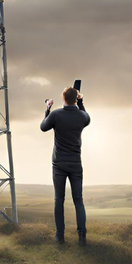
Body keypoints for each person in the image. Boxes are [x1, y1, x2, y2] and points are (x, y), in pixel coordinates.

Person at [41, 86, 91, 245]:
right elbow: (86, 118)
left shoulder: (56, 114)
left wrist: (47, 109)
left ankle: (60, 235)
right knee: (78, 200)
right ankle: (81, 235)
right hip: (75, 163)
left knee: (59, 199)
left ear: (63, 99)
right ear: (76, 98)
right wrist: (81, 103)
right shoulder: (82, 116)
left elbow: (43, 127)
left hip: (59, 163)